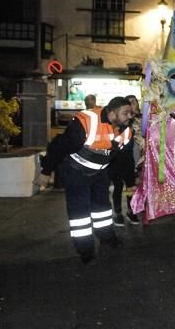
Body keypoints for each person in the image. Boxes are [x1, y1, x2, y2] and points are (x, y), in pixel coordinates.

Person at [39, 96, 134, 264]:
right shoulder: (87, 121)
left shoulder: (126, 130)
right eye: (125, 113)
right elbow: (59, 146)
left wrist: (130, 180)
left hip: (99, 173)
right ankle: (85, 249)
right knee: (80, 212)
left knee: (103, 209)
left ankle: (107, 238)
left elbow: (123, 159)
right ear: (112, 113)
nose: (129, 117)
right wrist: (46, 172)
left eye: (131, 113)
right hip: (76, 172)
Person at [110, 95, 141, 227]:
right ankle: (118, 213)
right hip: (116, 160)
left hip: (131, 159)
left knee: (131, 187)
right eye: (130, 103)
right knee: (117, 187)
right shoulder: (118, 122)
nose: (132, 105)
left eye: (134, 102)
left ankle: (131, 211)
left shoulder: (140, 120)